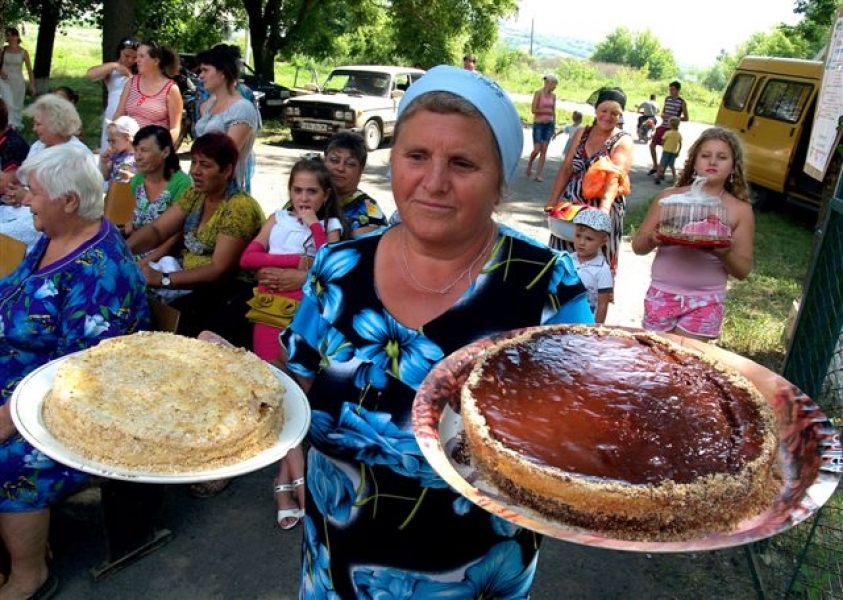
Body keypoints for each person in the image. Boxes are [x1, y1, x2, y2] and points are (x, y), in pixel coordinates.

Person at [280, 64, 593, 598]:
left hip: (469, 579)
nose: (434, 181)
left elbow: (576, 437)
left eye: (463, 162)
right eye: (416, 155)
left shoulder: (545, 285)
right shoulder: (337, 266)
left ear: (500, 181)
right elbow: (297, 383)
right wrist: (281, 452)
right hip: (336, 568)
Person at [0, 144, 150, 600]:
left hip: (79, 406)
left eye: (34, 192)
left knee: (9, 464)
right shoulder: (54, 233)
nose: (26, 199)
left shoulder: (102, 272)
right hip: (19, 373)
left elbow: (73, 379)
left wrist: (7, 418)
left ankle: (29, 576)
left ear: (68, 200)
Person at [239, 157, 343, 529]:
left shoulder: (330, 226)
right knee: (278, 393)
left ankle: (284, 480)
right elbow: (248, 257)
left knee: (300, 397)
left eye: (311, 191)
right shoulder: (277, 219)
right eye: (297, 190)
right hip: (269, 316)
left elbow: (329, 265)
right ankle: (295, 485)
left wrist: (313, 230)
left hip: (305, 320)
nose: (303, 198)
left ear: (325, 194)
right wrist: (295, 261)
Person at [126, 131, 264, 351]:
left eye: (205, 165)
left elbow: (219, 269)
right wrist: (122, 250)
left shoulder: (239, 207)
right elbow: (157, 229)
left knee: (170, 327)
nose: (195, 171)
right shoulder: (196, 195)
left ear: (227, 170)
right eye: (194, 163)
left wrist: (163, 279)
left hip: (228, 291)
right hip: (190, 282)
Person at [632, 127, 754, 342]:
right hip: (663, 293)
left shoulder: (739, 210)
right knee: (656, 358)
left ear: (734, 166)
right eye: (705, 155)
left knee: (687, 362)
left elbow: (743, 270)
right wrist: (653, 238)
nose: (713, 162)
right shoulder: (669, 199)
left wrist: (724, 253)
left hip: (706, 299)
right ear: (694, 162)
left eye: (722, 157)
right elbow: (638, 246)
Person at [252, 132, 388, 308]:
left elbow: (361, 270)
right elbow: (268, 245)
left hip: (333, 302)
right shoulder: (304, 198)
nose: (340, 168)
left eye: (350, 164)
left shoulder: (367, 213)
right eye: (334, 160)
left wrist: (306, 278)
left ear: (361, 171)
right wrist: (264, 273)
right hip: (274, 291)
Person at [544, 86, 634, 275]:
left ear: (621, 116)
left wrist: (601, 215)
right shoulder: (582, 133)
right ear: (596, 110)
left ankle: (593, 303)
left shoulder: (622, 140)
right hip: (571, 206)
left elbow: (613, 180)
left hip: (602, 205)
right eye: (604, 111)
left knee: (593, 269)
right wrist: (552, 202)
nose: (608, 117)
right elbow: (566, 169)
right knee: (561, 259)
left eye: (615, 113)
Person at [194, 44, 260, 192]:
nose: (200, 76)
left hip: (226, 187)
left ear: (222, 73)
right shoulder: (209, 105)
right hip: (204, 182)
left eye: (205, 70)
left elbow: (227, 156)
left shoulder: (242, 109)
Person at [113, 39, 183, 146]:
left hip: (153, 151)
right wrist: (113, 140)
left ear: (155, 61)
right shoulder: (131, 82)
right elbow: (118, 115)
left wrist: (160, 149)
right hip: (128, 149)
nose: (137, 60)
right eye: (137, 56)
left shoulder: (171, 89)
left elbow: (175, 129)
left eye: (142, 56)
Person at [85, 36, 139, 153]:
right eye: (126, 55)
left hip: (133, 112)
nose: (130, 60)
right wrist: (114, 66)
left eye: (134, 57)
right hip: (113, 111)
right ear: (120, 52)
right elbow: (90, 75)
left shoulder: (139, 71)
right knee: (110, 146)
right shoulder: (112, 70)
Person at [571, 208, 613, 323]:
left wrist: (597, 330)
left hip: (585, 322)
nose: (581, 242)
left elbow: (603, 304)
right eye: (578, 236)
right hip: (563, 318)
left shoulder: (602, 269)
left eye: (589, 239)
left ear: (603, 241)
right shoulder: (567, 259)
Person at [649, 80, 689, 174]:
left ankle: (662, 170)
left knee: (666, 150)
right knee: (652, 145)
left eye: (673, 90)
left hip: (672, 129)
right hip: (663, 125)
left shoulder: (682, 102)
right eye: (670, 90)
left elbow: (686, 118)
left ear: (678, 90)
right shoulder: (667, 99)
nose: (671, 91)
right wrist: (663, 115)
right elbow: (663, 111)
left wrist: (674, 118)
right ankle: (655, 165)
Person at [0, 27, 36, 129]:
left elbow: (29, 70)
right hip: (4, 81)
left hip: (18, 81)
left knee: (17, 102)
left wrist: (32, 84)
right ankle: (7, 123)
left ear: (17, 36)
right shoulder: (3, 50)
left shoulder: (23, 52)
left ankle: (15, 124)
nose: (10, 37)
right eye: (8, 35)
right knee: (7, 102)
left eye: (12, 35)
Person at [525, 73, 557, 182]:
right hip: (539, 124)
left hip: (549, 125)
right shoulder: (538, 93)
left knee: (544, 150)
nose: (555, 87)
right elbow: (533, 110)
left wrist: (554, 127)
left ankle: (538, 174)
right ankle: (530, 164)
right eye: (554, 85)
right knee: (537, 149)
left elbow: (554, 112)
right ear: (548, 83)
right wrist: (545, 111)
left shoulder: (553, 96)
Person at [99, 115, 140, 188]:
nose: (110, 144)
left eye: (113, 141)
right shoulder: (116, 155)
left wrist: (131, 177)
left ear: (127, 138)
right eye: (109, 141)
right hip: (114, 193)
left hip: (129, 195)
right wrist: (103, 163)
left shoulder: (139, 156)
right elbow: (105, 177)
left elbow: (147, 180)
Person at [653, 116, 682, 184]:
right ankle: (674, 177)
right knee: (671, 165)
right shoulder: (678, 134)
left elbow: (663, 140)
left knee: (661, 164)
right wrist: (678, 151)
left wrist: (663, 145)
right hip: (673, 152)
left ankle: (657, 177)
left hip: (666, 151)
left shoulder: (667, 133)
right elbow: (680, 143)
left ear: (671, 125)